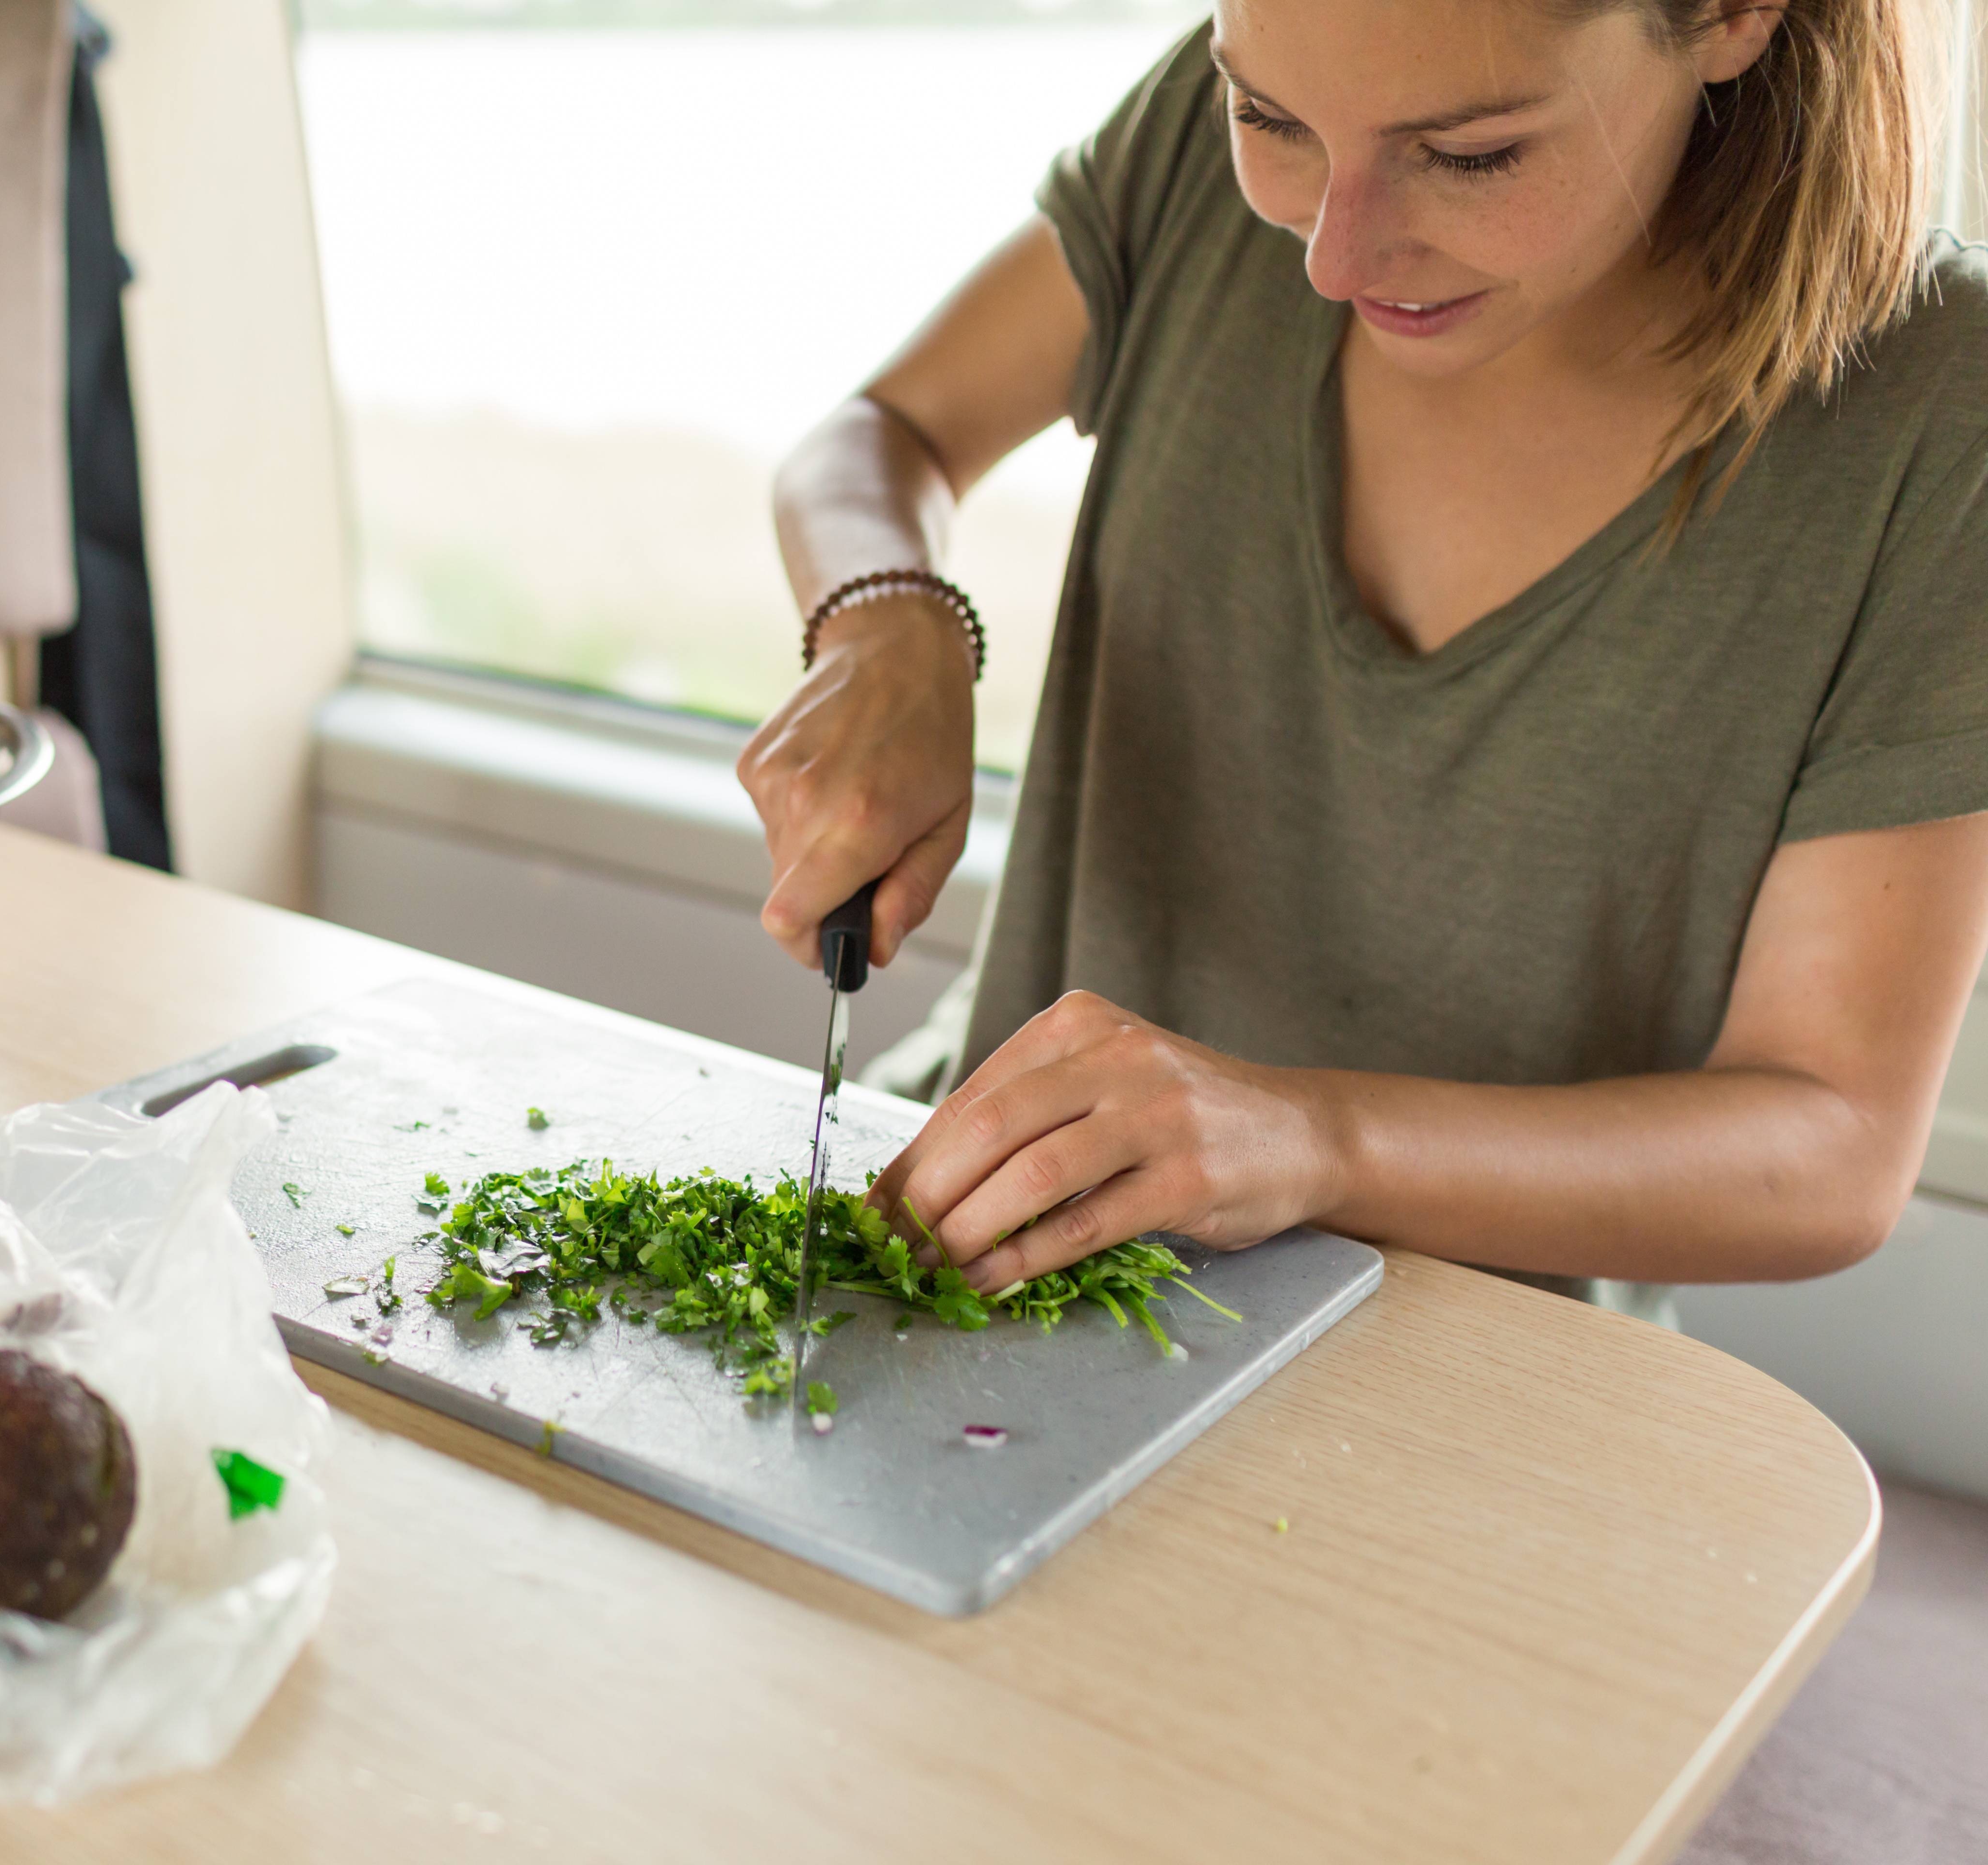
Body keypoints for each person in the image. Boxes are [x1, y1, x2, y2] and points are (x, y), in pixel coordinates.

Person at [737, 0, 1988, 1312]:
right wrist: (887, 620)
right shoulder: (1251, 122)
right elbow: (883, 436)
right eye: (1268, 120)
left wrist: (1311, 1138)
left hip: (1449, 1393)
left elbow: (1831, 1146)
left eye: (1470, 155)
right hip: (953, 1278)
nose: (1331, 257)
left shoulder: (1934, 417)